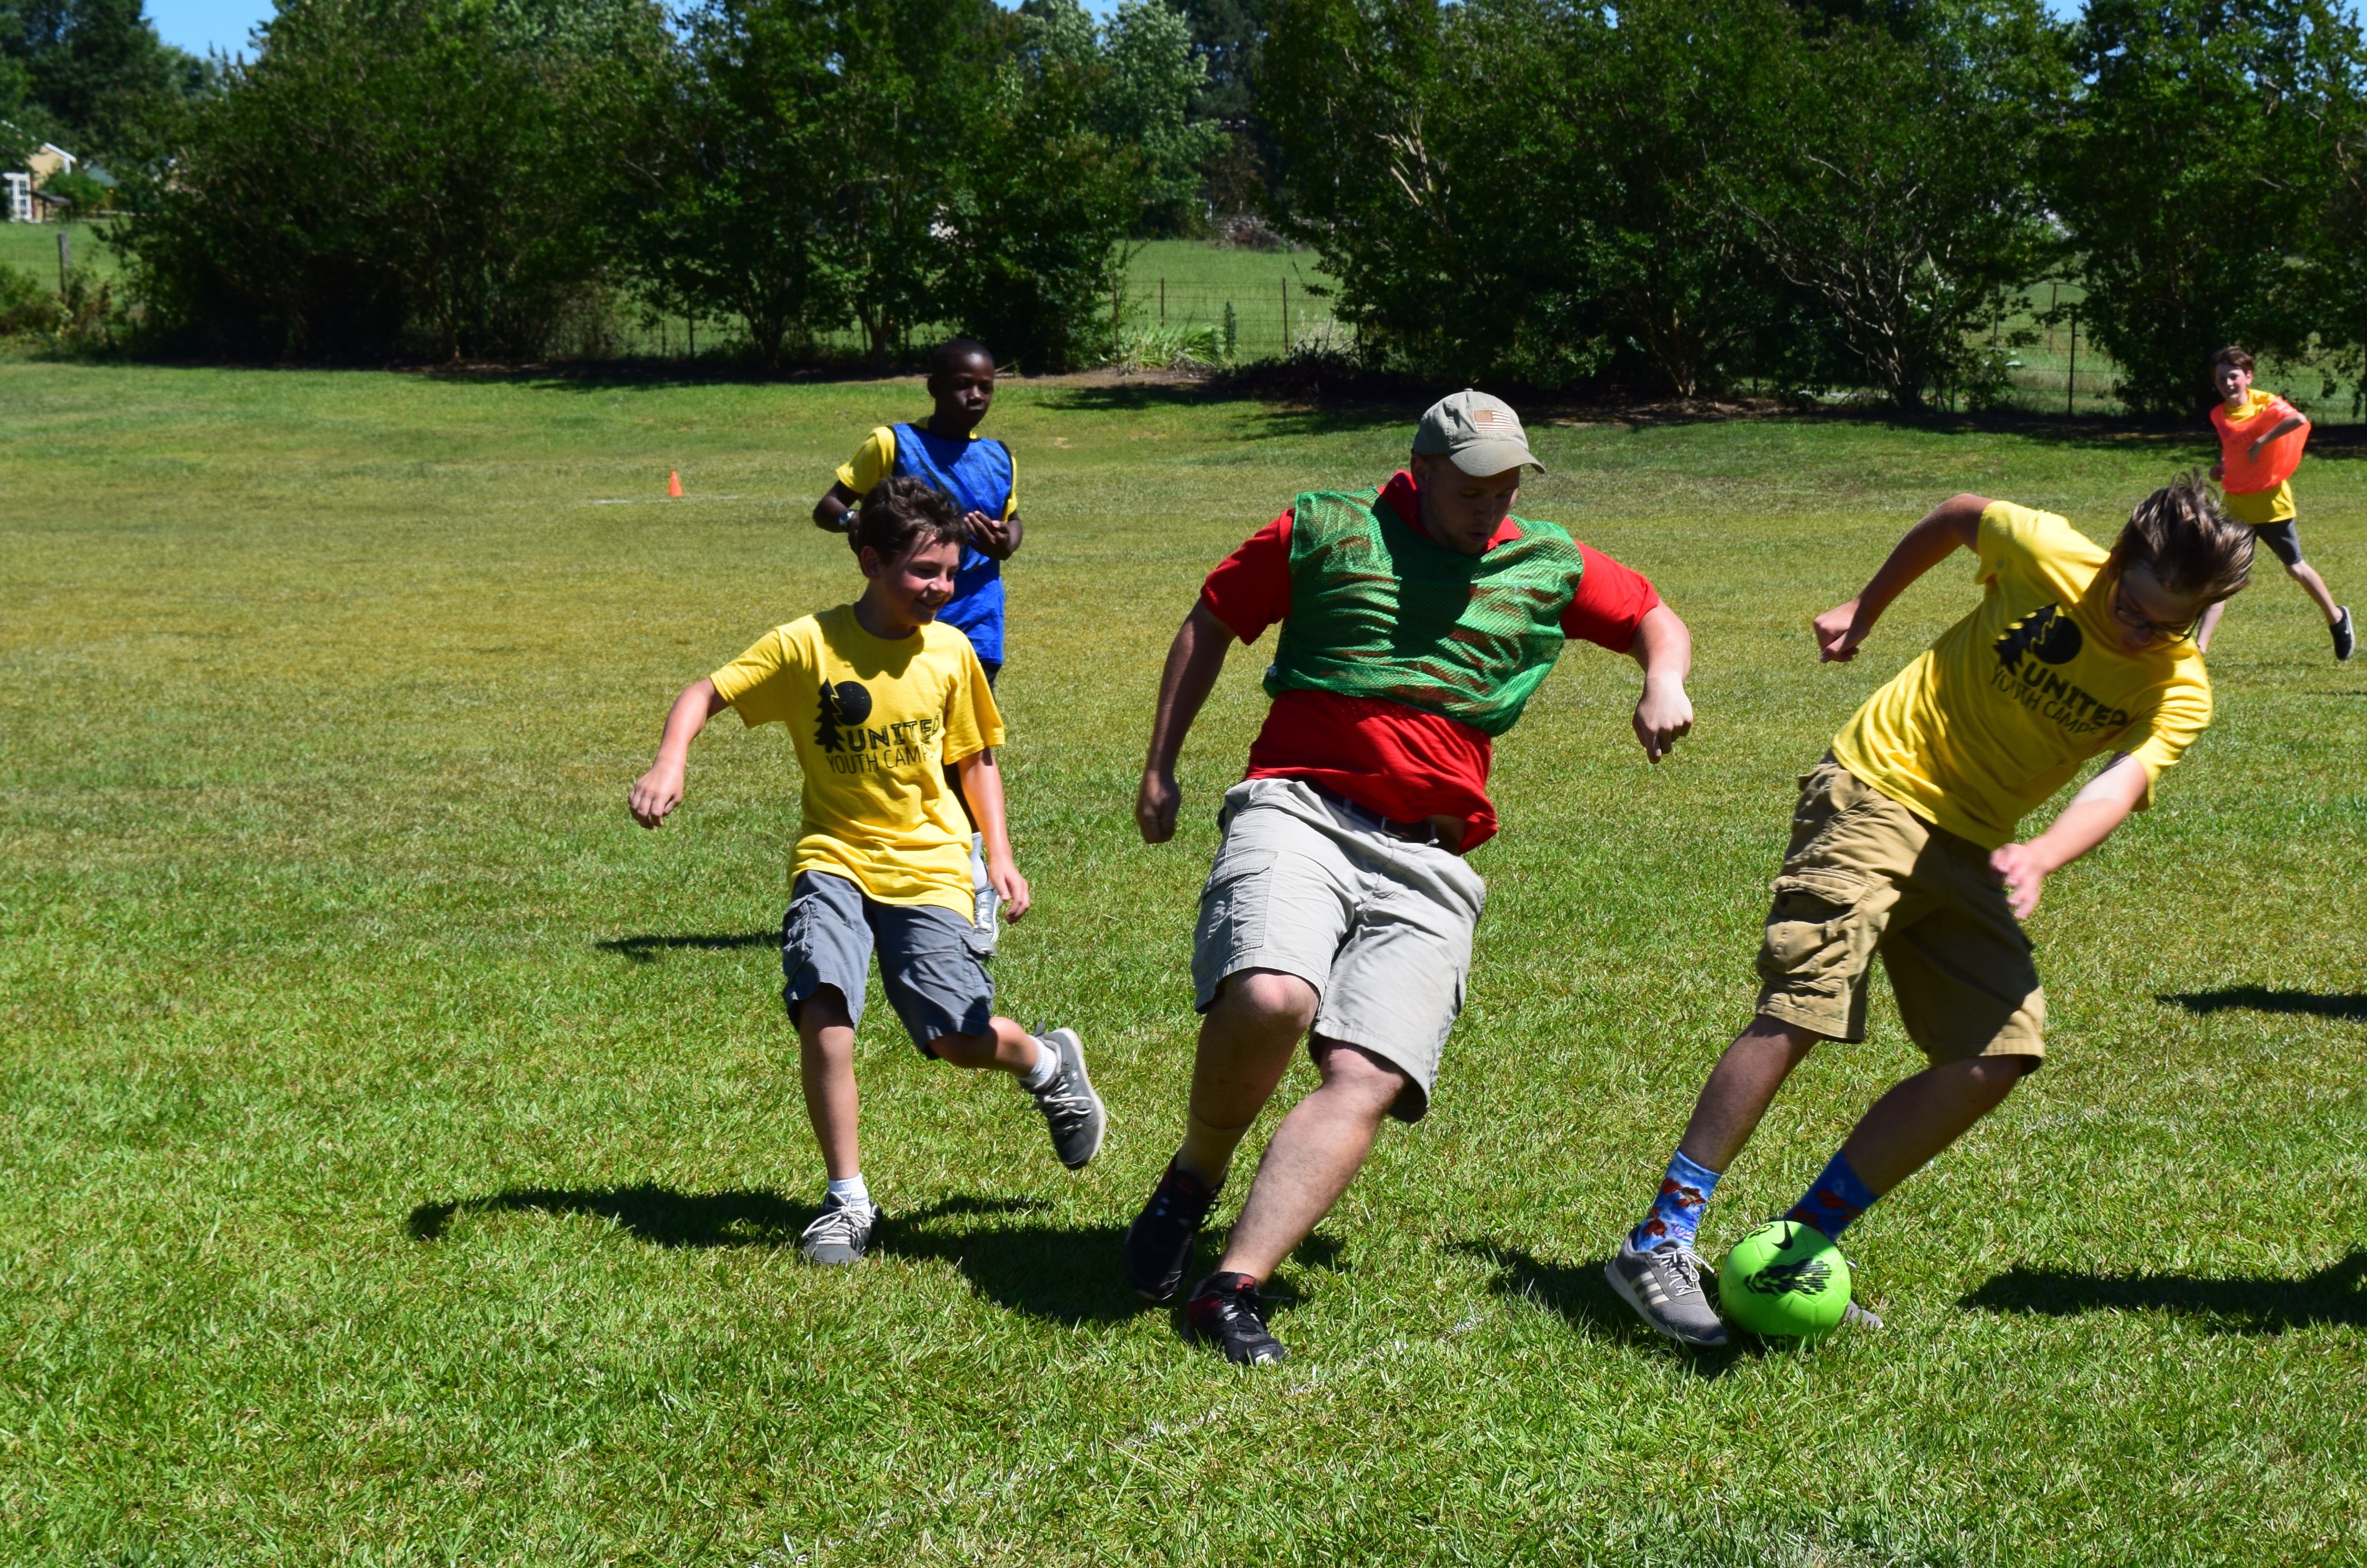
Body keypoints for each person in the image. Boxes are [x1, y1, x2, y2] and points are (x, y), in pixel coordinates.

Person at [1607, 478, 2250, 1346]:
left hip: (1978, 841)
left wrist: (2043, 852)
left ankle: (1799, 1245)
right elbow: (1956, 515)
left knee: (1998, 1052)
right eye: (2130, 604)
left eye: (2166, 624)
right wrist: (1865, 608)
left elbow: (2123, 780)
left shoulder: (2179, 686)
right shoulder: (2047, 551)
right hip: (1877, 785)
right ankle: (1662, 1237)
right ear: (2119, 559)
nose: (2136, 631)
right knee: (1805, 1004)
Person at [1128, 391, 1694, 1364]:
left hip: (1432, 850)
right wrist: (1160, 764)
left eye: (1510, 478)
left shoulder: (1546, 556)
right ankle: (1195, 1174)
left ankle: (1231, 1287)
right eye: (1474, 481)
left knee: (1371, 1071)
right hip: (1300, 804)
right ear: (1422, 469)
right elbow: (1213, 618)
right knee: (1271, 995)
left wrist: (1663, 679)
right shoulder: (1324, 526)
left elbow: (1653, 615)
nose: (1493, 498)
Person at [630, 475, 1108, 1266]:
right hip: (834, 857)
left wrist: (1003, 854)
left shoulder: (952, 653)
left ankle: (1046, 1060)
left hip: (930, 866)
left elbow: (975, 759)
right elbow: (704, 693)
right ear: (869, 559)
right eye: (924, 572)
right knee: (823, 1003)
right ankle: (847, 1200)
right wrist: (670, 762)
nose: (941, 589)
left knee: (954, 1040)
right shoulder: (808, 647)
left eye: (951, 573)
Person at [815, 337, 1022, 689]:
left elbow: (1013, 521)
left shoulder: (999, 458)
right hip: (905, 614)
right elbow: (827, 508)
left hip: (979, 617)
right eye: (962, 385)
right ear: (934, 387)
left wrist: (1008, 542)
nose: (976, 396)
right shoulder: (892, 444)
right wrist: (852, 520)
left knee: (971, 733)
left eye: (986, 388)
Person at [2205, 346, 2354, 661]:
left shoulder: (2266, 404)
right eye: (2221, 379)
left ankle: (2337, 620)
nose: (2228, 384)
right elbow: (2232, 448)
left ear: (2248, 376)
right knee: (2223, 577)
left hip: (2272, 504)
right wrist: (2221, 467)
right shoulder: (2219, 414)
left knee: (2295, 568)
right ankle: (2200, 647)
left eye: (2233, 377)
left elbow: (2298, 420)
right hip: (2238, 507)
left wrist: (2262, 441)